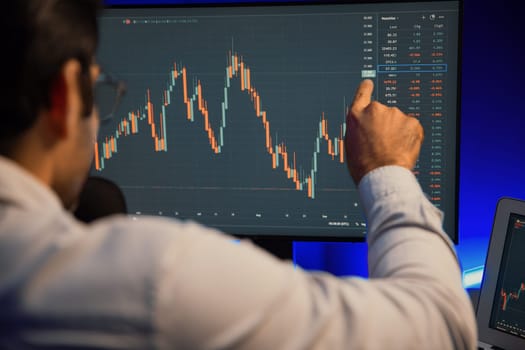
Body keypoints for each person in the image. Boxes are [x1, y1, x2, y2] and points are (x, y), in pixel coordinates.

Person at [0, 0, 476, 349]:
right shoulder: (153, 276)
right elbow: (442, 329)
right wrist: (386, 170)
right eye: (99, 90)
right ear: (64, 95)